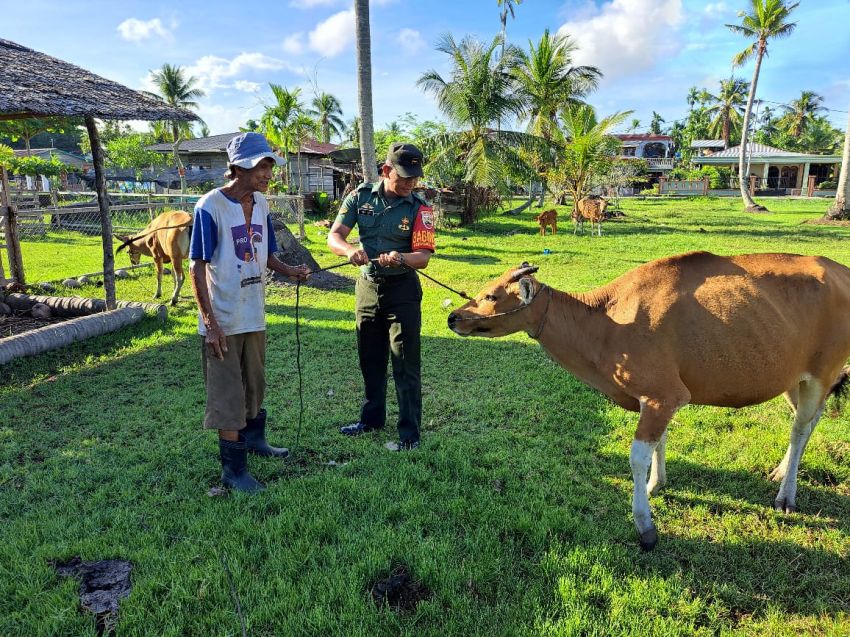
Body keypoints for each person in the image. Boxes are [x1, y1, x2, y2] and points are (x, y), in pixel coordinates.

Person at [189, 132, 309, 493]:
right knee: (229, 393)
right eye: (262, 166)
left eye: (270, 166)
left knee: (255, 384)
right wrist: (210, 324)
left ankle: (255, 440)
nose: (269, 174)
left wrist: (290, 270)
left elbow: (266, 253)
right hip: (223, 318)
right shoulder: (210, 206)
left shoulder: (261, 204)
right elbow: (197, 267)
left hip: (253, 313)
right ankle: (234, 472)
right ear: (239, 167)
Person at [327, 142, 436, 451]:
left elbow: (423, 257)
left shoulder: (420, 208)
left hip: (402, 290)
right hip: (367, 289)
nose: (411, 183)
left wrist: (401, 257)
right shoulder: (359, 197)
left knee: (405, 363)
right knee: (370, 359)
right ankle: (371, 420)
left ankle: (410, 434)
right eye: (404, 177)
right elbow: (335, 235)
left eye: (415, 177)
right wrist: (349, 250)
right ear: (386, 171)